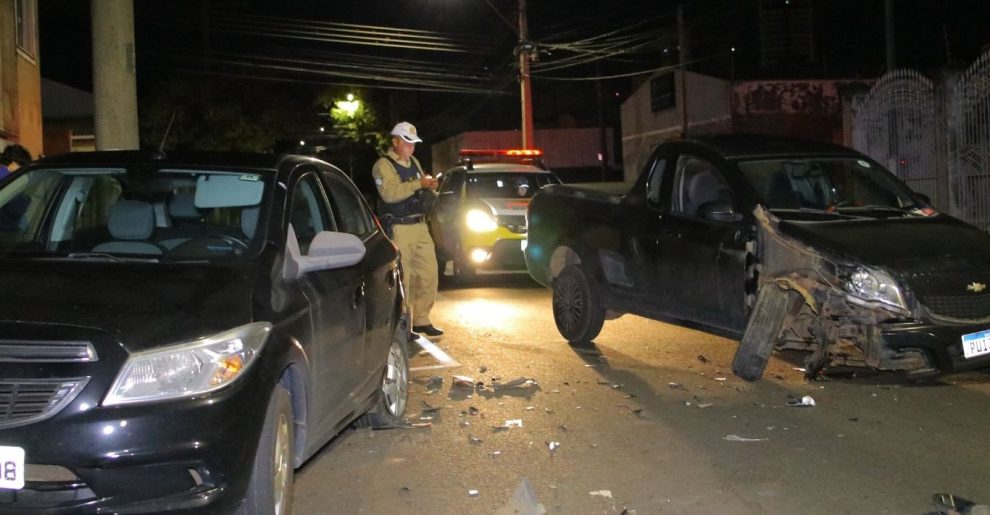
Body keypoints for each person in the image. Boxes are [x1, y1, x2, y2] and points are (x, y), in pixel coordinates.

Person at [372, 122, 443, 339]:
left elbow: (419, 186)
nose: (411, 148)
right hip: (400, 226)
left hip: (420, 225)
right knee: (405, 277)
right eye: (407, 143)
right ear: (395, 142)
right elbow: (390, 194)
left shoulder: (414, 162)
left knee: (429, 273)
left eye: (413, 144)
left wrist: (429, 186)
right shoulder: (383, 165)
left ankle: (422, 319)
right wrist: (418, 184)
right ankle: (404, 323)